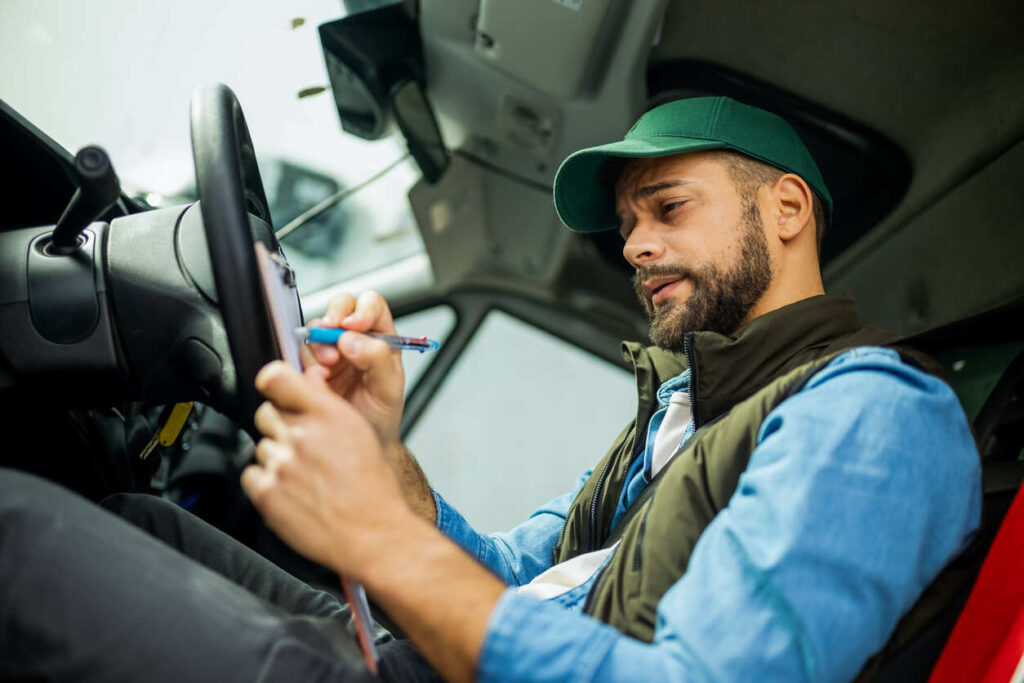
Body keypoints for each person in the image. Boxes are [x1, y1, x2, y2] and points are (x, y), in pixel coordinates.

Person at [0, 96, 980, 682]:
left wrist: (373, 533)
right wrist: (384, 448)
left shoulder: (871, 414)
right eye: (629, 223)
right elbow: (523, 570)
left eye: (668, 209)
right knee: (141, 513)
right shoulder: (688, 408)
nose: (635, 246)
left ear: (787, 208)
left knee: (17, 538)